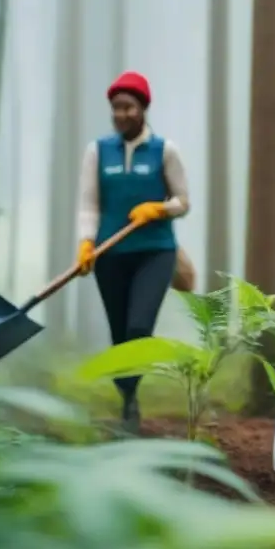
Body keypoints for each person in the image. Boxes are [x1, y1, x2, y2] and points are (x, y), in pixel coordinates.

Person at [75, 71, 191, 433]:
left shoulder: (164, 151)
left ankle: (131, 401)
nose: (121, 113)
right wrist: (85, 243)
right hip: (110, 254)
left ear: (142, 109)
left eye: (128, 106)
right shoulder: (98, 151)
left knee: (139, 326)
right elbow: (89, 204)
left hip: (154, 252)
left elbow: (183, 201)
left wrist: (159, 208)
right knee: (120, 333)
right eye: (115, 108)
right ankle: (128, 401)